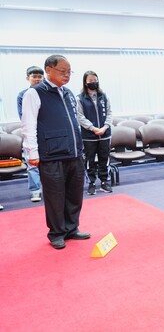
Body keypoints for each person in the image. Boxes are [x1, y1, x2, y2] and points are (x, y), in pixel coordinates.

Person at [21, 54, 91, 250]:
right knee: (55, 196)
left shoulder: (68, 93)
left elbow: (73, 123)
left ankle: (71, 228)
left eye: (69, 72)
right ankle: (57, 233)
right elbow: (28, 125)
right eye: (63, 71)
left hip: (74, 153)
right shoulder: (34, 94)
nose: (67, 75)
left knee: (74, 194)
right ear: (48, 70)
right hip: (51, 154)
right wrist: (32, 153)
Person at [76, 70, 113, 195]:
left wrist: (105, 127)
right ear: (85, 83)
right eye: (90, 80)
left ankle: (104, 182)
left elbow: (109, 113)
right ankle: (91, 183)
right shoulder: (80, 98)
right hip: (89, 136)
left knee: (104, 158)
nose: (93, 82)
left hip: (105, 134)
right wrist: (93, 128)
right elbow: (80, 116)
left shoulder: (104, 96)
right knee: (89, 160)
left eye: (95, 80)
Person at [17, 66, 44, 202]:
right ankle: (35, 190)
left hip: (46, 135)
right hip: (32, 134)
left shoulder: (47, 93)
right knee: (32, 164)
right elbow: (25, 118)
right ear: (28, 78)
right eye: (34, 76)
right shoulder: (23, 95)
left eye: (40, 76)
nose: (38, 79)